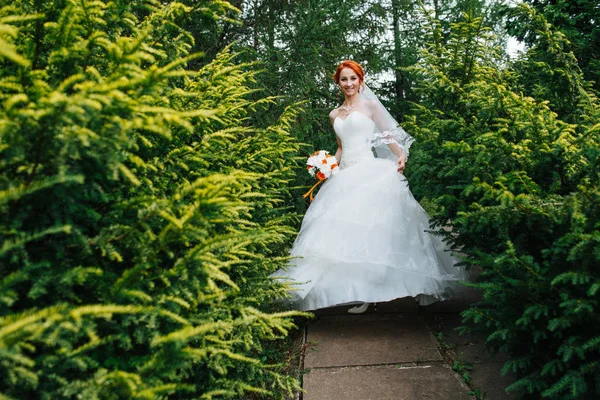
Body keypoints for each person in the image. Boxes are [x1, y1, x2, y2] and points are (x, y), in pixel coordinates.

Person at [272, 60, 467, 313]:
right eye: (344, 79)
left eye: (353, 78)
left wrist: (400, 155)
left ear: (360, 80)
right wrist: (328, 167)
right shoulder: (334, 114)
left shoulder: (370, 106)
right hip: (345, 176)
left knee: (390, 231)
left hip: (370, 171)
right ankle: (364, 294)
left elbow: (388, 134)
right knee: (352, 238)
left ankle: (420, 284)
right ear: (338, 82)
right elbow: (341, 147)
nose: (349, 83)